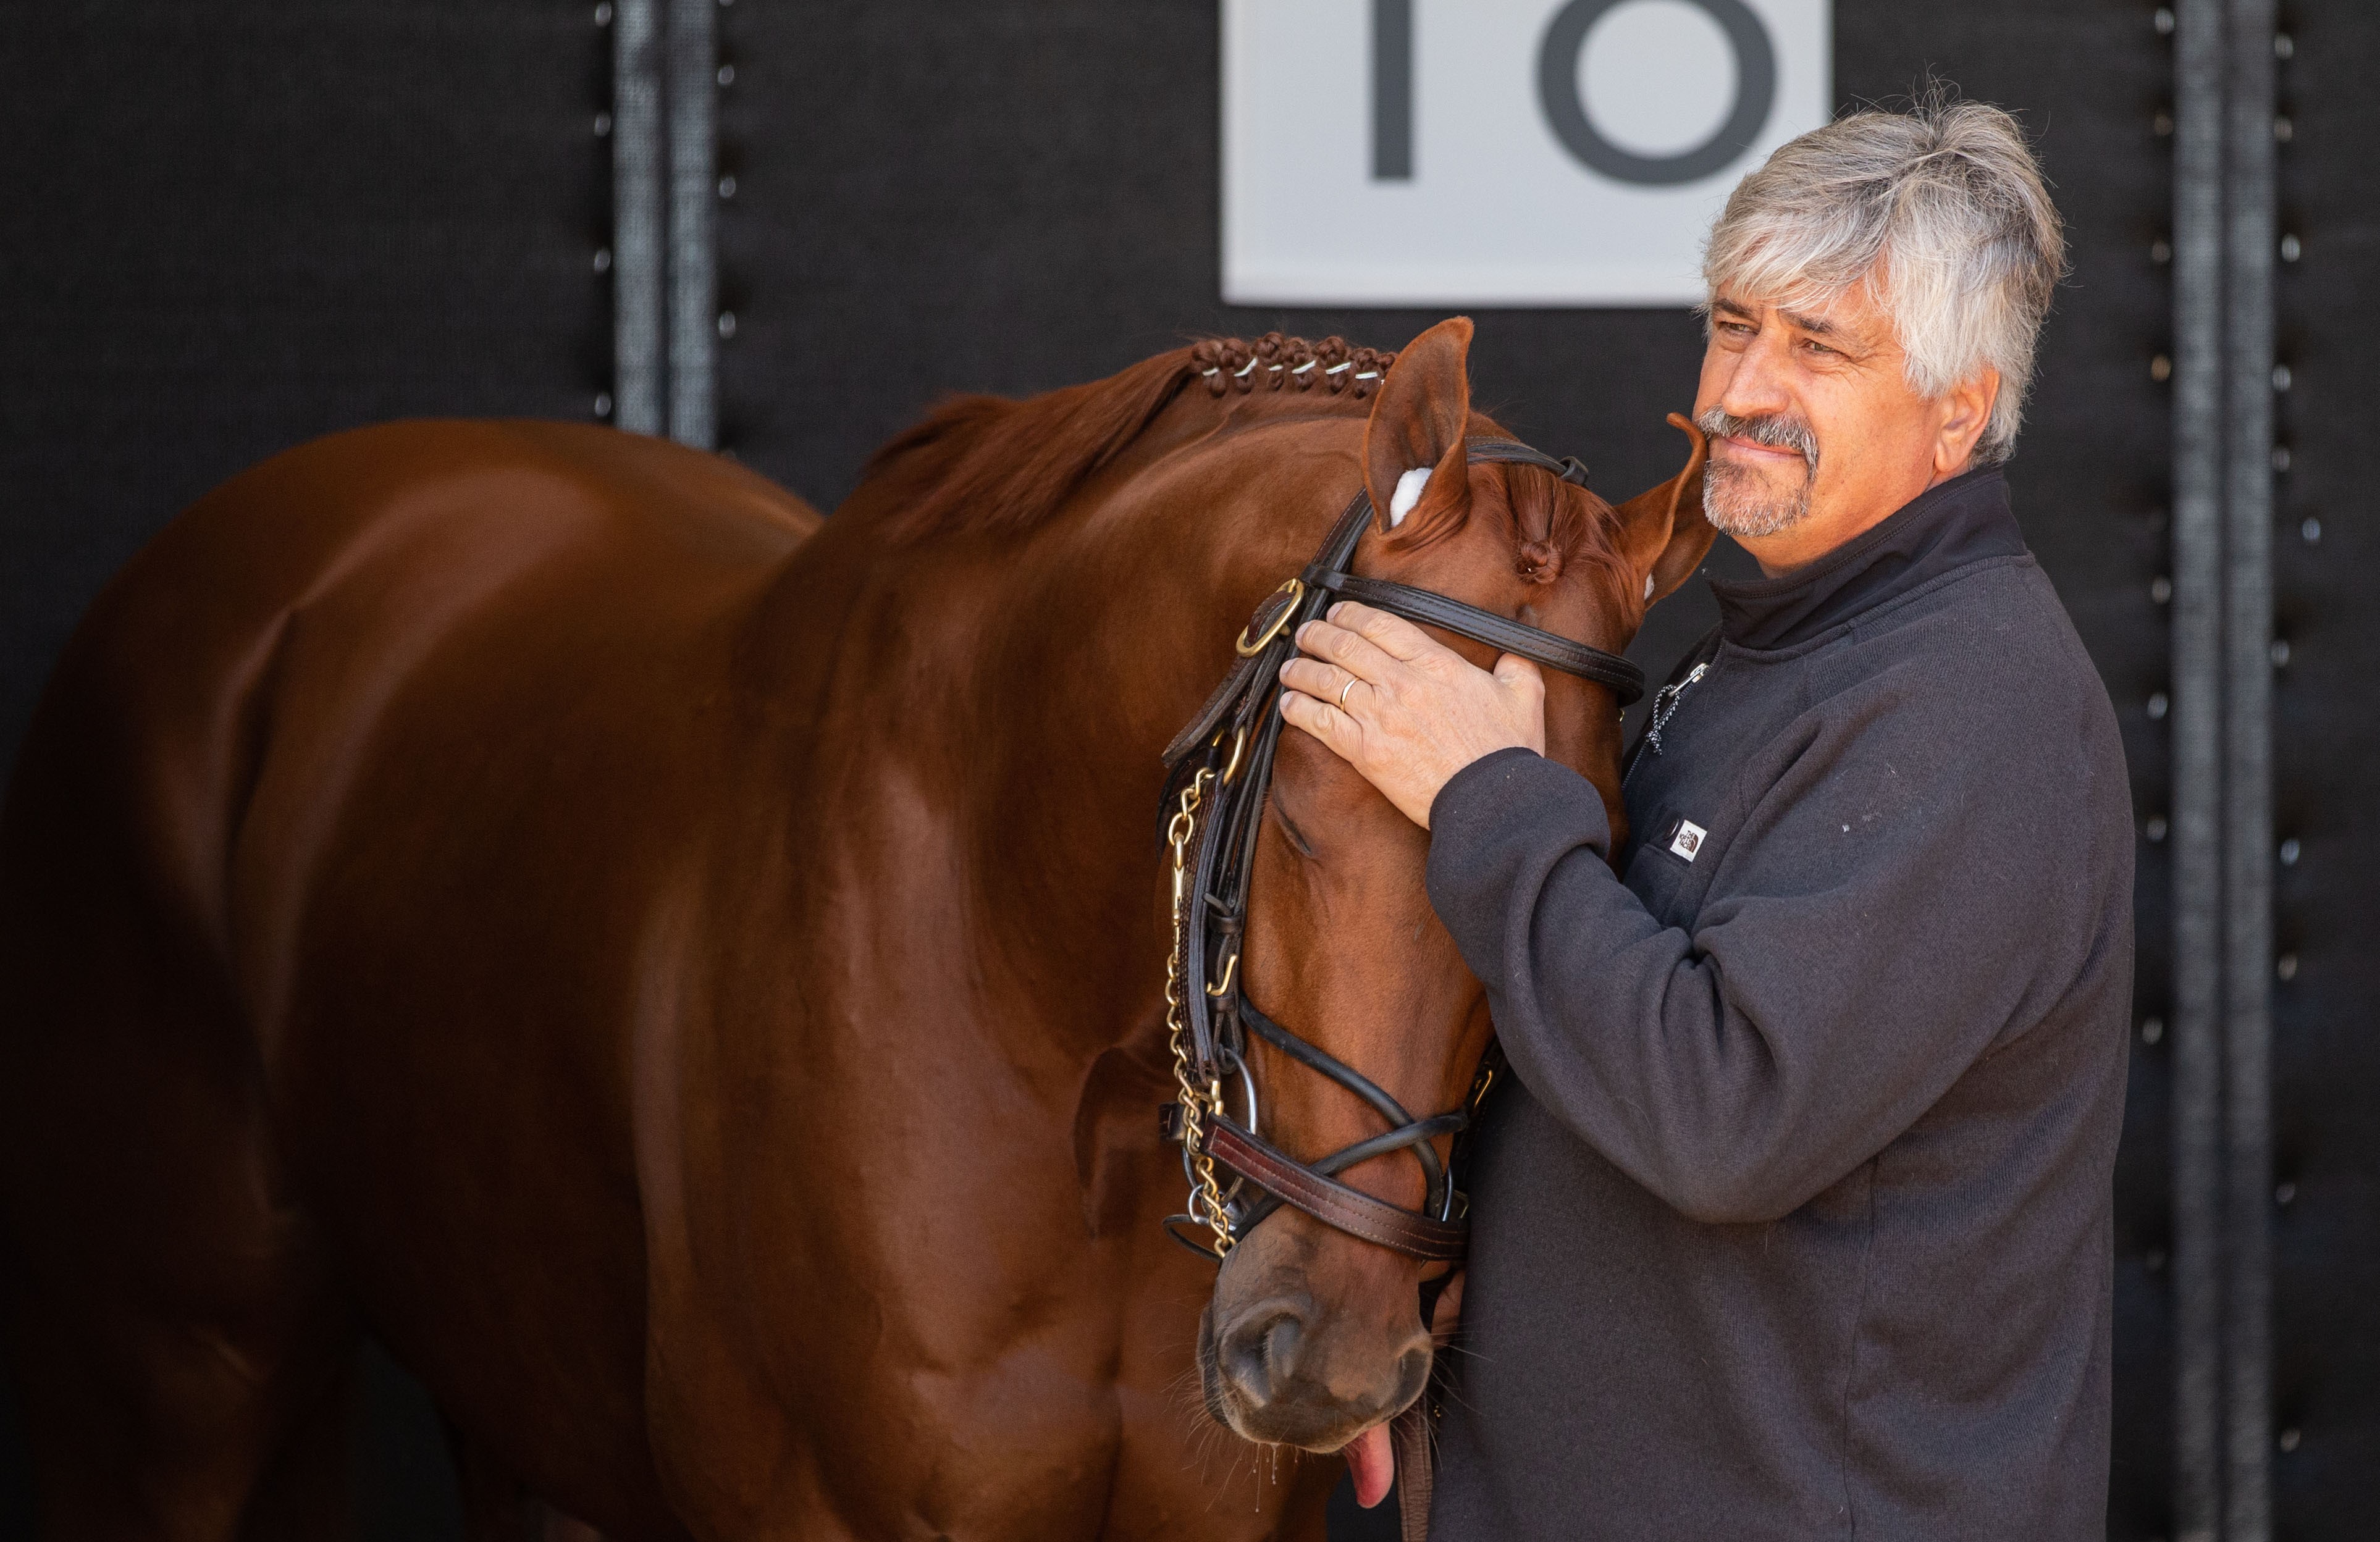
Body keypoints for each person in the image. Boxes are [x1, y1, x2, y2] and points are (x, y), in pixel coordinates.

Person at [1279, 96, 2130, 1540]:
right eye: (1733, 323)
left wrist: (1486, 795)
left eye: (1818, 346)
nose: (1740, 387)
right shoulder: (1773, 649)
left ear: (1959, 410)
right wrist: (1428, 1266)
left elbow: (1721, 1114)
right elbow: (1613, 1020)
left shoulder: (1970, 706)